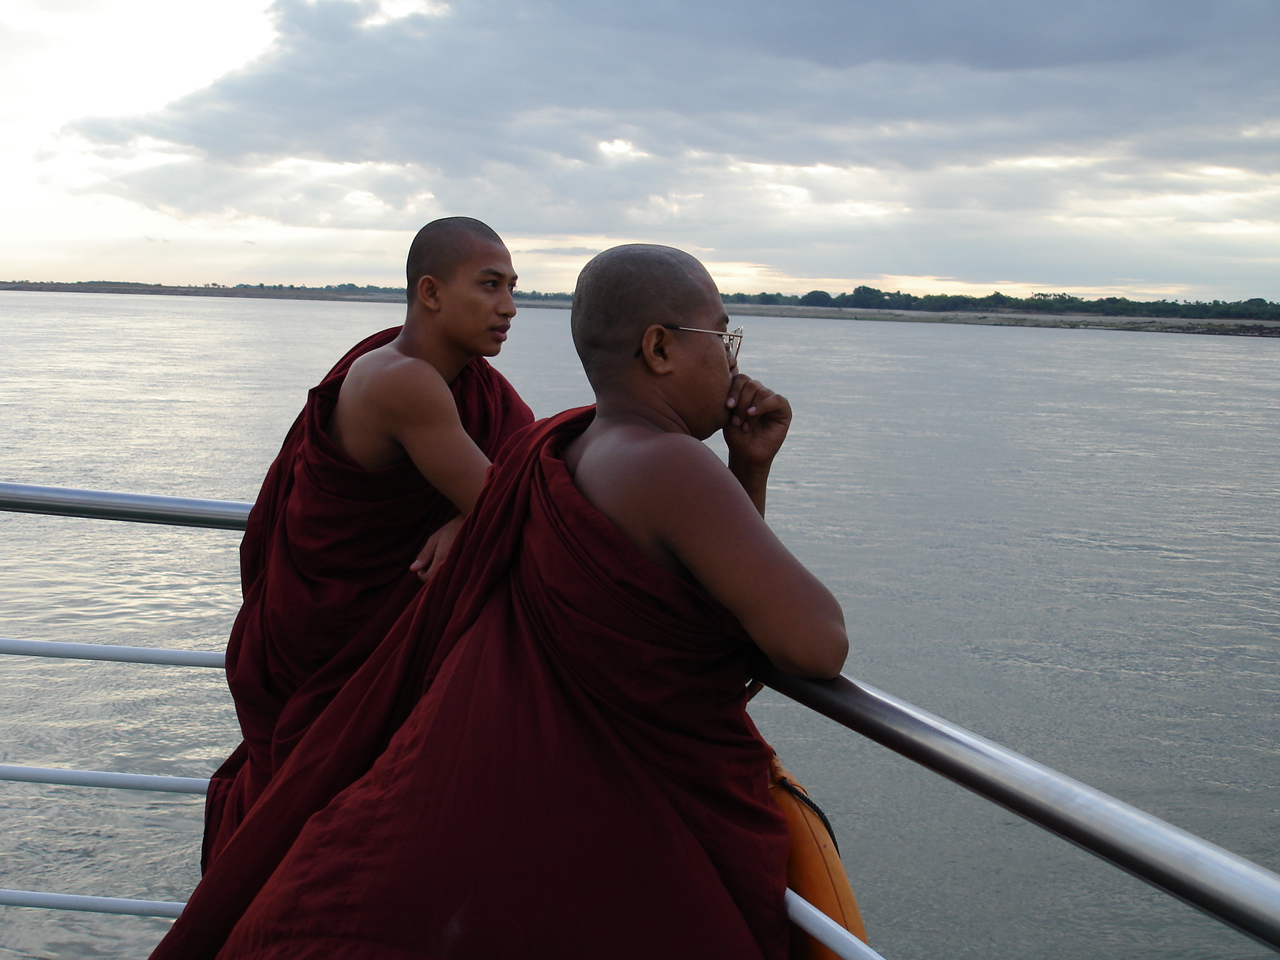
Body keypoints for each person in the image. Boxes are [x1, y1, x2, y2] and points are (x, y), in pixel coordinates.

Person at [151, 244, 848, 960]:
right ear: (660, 348)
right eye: (722, 337)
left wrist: (747, 465)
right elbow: (817, 642)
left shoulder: (565, 447)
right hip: (609, 806)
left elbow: (703, 604)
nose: (732, 363)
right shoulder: (667, 464)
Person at [202, 217, 534, 868]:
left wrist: (471, 518)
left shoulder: (465, 382)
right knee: (328, 843)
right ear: (430, 293)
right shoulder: (399, 379)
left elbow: (510, 485)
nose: (509, 307)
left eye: (513, 287)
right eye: (490, 285)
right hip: (331, 645)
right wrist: (481, 512)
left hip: (367, 638)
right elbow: (518, 507)